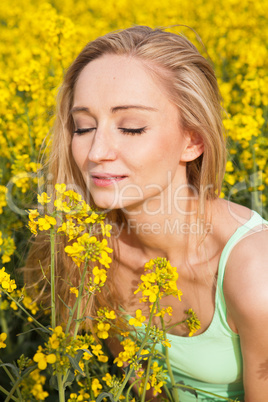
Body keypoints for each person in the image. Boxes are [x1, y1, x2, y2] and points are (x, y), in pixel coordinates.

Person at [25, 26, 268, 401]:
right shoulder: (88, 252)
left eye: (132, 128)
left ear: (193, 140)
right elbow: (145, 391)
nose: (96, 151)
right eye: (83, 127)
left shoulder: (254, 271)